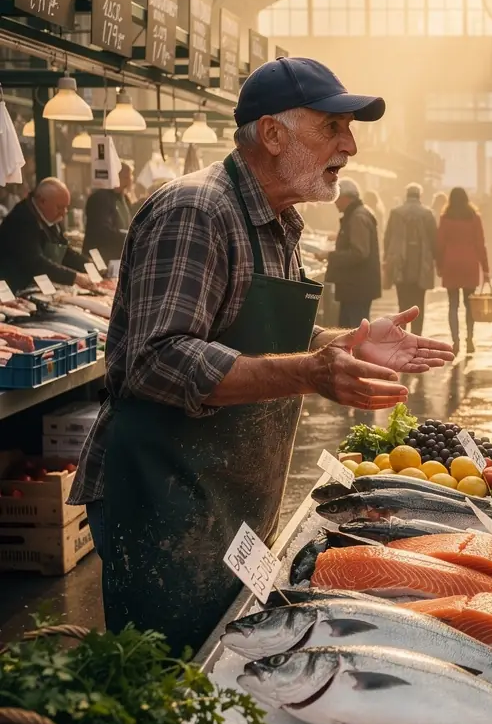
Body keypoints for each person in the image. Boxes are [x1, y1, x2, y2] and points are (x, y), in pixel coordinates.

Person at [67, 57, 454, 655]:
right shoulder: (197, 210)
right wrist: (310, 372)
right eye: (334, 127)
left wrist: (339, 344)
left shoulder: (278, 222)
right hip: (164, 496)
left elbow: (252, 338)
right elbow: (155, 359)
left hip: (227, 494)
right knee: (175, 680)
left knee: (228, 655)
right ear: (273, 135)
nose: (349, 146)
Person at [0, 177, 93, 291]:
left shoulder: (50, 217)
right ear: (42, 201)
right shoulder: (22, 219)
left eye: (66, 207)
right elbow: (35, 262)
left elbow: (64, 251)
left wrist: (89, 264)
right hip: (14, 290)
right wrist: (74, 277)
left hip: (37, 287)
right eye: (59, 207)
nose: (63, 213)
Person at [436, 186, 490, 356]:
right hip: (469, 263)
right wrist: (486, 269)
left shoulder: (445, 218)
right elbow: (481, 244)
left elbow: (439, 243)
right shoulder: (474, 218)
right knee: (469, 305)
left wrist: (439, 265)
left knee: (453, 305)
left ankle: (455, 341)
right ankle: (470, 339)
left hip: (451, 263)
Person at [326, 178, 381, 327]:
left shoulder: (357, 216)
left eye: (337, 198)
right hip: (356, 286)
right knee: (352, 328)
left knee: (355, 329)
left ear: (346, 197)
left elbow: (359, 252)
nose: (335, 203)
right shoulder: (359, 214)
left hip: (356, 286)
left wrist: (330, 256)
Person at [383, 184, 437, 336]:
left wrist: (386, 258)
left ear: (406, 195)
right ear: (419, 196)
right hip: (422, 265)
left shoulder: (396, 213)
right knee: (419, 303)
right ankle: (417, 335)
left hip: (400, 264)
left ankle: (403, 336)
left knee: (403, 303)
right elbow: (434, 240)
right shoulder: (427, 214)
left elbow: (387, 238)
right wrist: (436, 261)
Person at [83, 161, 135, 264]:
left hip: (118, 257)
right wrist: (128, 236)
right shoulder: (100, 198)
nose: (129, 181)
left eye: (130, 177)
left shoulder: (125, 199)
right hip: (99, 258)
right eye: (125, 177)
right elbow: (101, 231)